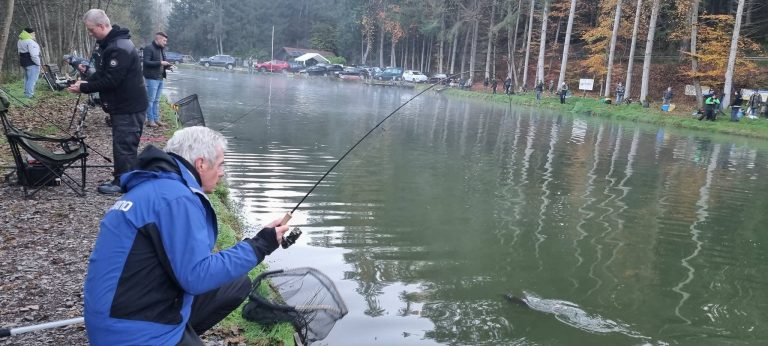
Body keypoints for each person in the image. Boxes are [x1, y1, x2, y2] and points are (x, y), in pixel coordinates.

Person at [83, 126, 291, 345]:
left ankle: (181, 331)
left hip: (115, 315)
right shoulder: (177, 198)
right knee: (218, 280)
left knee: (236, 284)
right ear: (201, 164)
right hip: (130, 333)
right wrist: (260, 246)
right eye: (220, 165)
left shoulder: (157, 186)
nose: (222, 173)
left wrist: (260, 240)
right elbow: (197, 277)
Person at [68, 9, 148, 195]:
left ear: (102, 26)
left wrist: (84, 88)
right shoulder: (112, 44)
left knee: (124, 145)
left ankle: (123, 183)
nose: (90, 34)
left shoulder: (119, 47)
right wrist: (87, 79)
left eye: (91, 30)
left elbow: (112, 81)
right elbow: (104, 74)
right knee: (122, 143)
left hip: (129, 106)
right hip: (124, 105)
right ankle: (123, 177)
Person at [143, 31, 171, 128]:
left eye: (166, 41)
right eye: (164, 40)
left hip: (160, 78)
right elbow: (146, 62)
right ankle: (150, 121)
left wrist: (168, 66)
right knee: (150, 100)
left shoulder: (162, 49)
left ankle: (156, 119)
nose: (165, 43)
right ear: (158, 39)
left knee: (157, 101)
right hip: (151, 79)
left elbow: (162, 63)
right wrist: (160, 63)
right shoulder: (148, 48)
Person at [17, 27, 41, 98]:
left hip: (23, 63)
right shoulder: (30, 42)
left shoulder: (20, 41)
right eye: (33, 33)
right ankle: (29, 95)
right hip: (32, 63)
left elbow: (19, 52)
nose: (35, 34)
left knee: (27, 79)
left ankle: (26, 93)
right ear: (29, 33)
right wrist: (38, 63)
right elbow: (34, 55)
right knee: (32, 80)